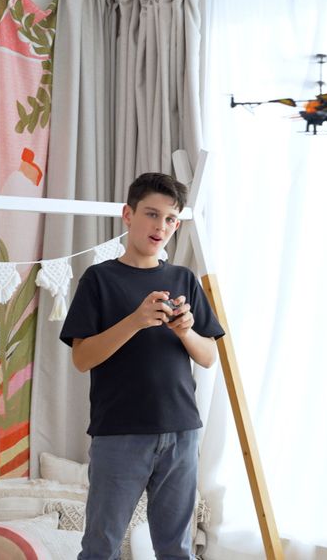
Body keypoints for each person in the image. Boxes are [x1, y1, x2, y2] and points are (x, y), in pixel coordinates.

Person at [60, 172, 224, 560]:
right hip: (119, 432)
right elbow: (82, 359)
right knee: (100, 547)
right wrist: (135, 320)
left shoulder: (183, 278)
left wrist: (186, 331)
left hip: (181, 430)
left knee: (176, 549)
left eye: (170, 219)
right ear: (128, 215)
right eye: (152, 214)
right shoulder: (99, 279)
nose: (160, 226)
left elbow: (208, 356)